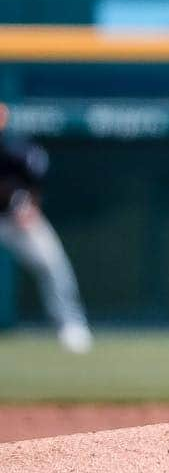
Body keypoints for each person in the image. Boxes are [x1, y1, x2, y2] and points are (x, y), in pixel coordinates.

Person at [0, 104, 93, 353]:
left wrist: (30, 207)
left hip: (15, 218)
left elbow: (36, 182)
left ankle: (71, 324)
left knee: (52, 264)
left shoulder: (16, 149)